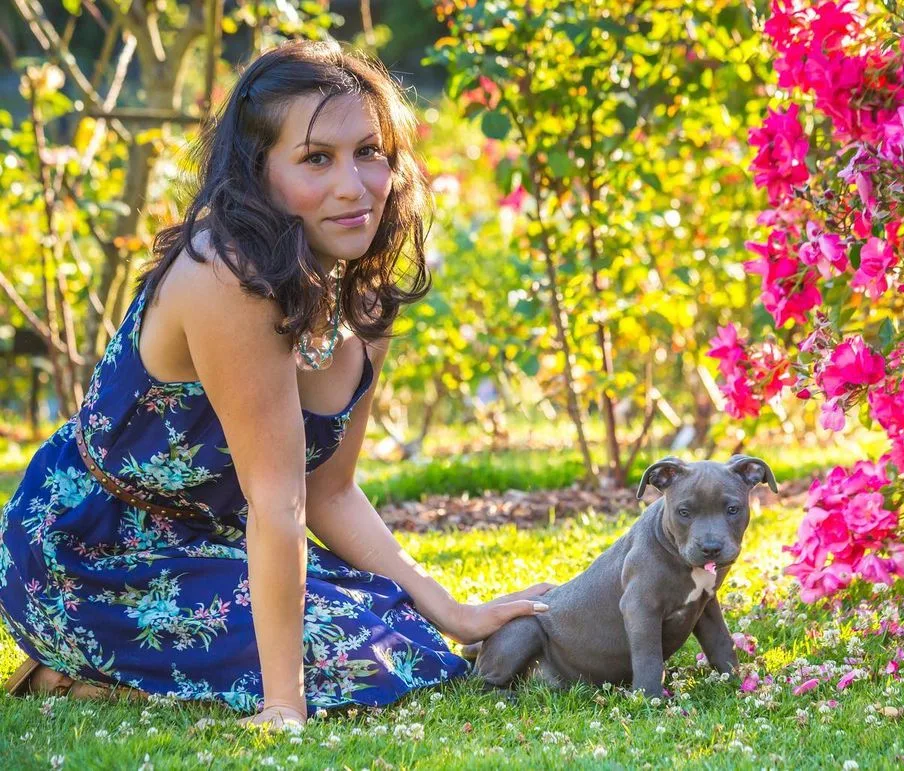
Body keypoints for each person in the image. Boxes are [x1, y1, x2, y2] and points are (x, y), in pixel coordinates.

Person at [0, 39, 553, 731]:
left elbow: (329, 490)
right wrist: (283, 705)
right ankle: (72, 677)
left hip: (211, 540)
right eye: (316, 158)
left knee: (401, 630)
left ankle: (160, 668)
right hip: (88, 551)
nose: (354, 185)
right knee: (357, 655)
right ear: (257, 174)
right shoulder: (224, 277)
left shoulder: (364, 297)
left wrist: (452, 609)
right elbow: (278, 502)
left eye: (369, 151)